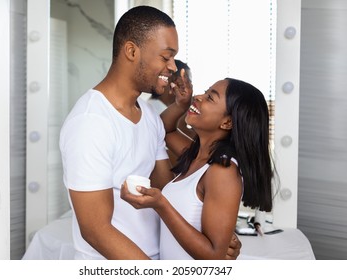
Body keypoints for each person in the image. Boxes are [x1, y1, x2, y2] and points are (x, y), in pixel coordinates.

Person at [59, 5, 241, 260]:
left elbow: (167, 190)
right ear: (132, 51)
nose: (173, 67)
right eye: (166, 57)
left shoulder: (149, 117)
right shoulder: (90, 122)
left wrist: (218, 235)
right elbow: (95, 230)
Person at [121, 77, 276, 259]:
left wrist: (161, 205)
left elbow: (213, 256)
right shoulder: (199, 157)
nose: (199, 96)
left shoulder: (223, 171)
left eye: (210, 97)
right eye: (205, 91)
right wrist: (181, 105)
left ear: (227, 123)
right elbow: (163, 129)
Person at [148, 59, 196, 165]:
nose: (190, 87)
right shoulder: (154, 113)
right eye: (188, 81)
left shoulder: (171, 109)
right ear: (174, 82)